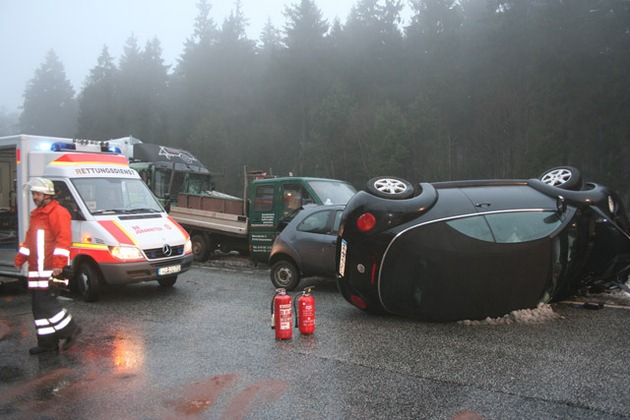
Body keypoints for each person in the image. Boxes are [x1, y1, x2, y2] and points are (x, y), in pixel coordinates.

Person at [14, 178, 81, 355]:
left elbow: (63, 241)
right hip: (37, 269)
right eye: (34, 194)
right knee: (38, 306)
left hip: (52, 269)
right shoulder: (37, 214)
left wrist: (59, 265)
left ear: (47, 195)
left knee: (46, 303)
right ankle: (47, 343)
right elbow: (30, 241)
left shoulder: (58, 213)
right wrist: (20, 259)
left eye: (38, 194)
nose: (35, 197)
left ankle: (71, 329)